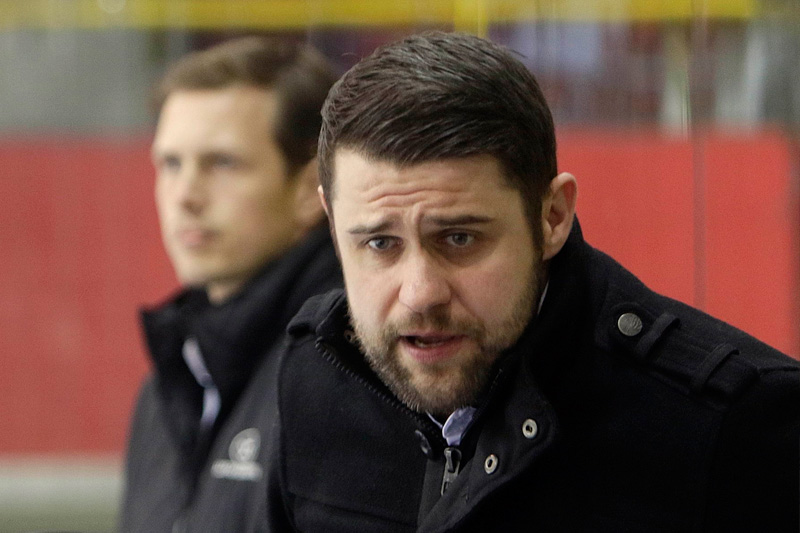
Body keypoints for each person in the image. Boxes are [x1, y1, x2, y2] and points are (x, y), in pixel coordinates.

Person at [264, 32, 800, 532]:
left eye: (459, 239)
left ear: (552, 217)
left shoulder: (731, 425)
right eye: (380, 244)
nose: (421, 293)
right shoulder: (316, 379)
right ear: (332, 224)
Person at [119, 37, 341, 532]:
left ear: (312, 190)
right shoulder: (166, 387)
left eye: (222, 163)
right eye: (170, 164)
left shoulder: (344, 373)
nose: (185, 195)